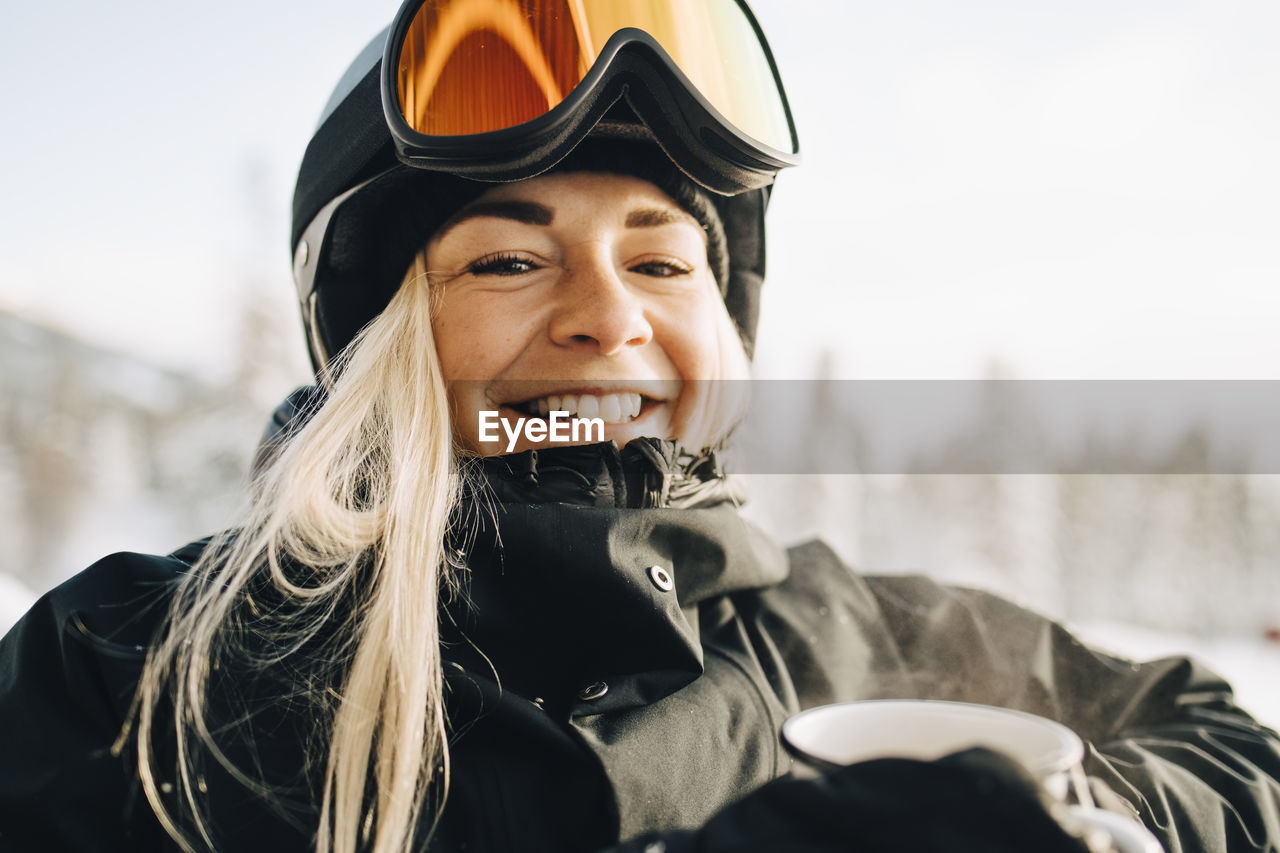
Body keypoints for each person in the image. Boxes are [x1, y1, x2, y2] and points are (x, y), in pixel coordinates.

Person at [1, 1, 1278, 851]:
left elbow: (1233, 747)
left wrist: (1078, 814)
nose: (606, 318)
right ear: (382, 343)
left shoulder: (851, 640)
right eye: (507, 262)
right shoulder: (147, 670)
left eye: (662, 266)